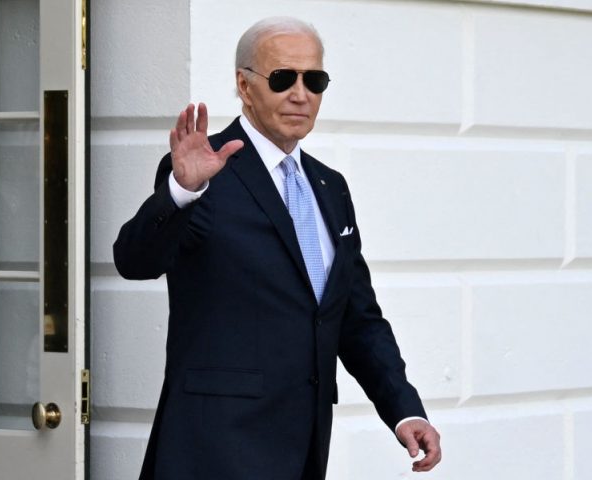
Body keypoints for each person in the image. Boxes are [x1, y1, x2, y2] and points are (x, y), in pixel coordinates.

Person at [113, 16, 442, 480]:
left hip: (304, 445)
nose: (300, 94)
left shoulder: (331, 186)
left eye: (315, 80)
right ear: (244, 87)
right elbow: (134, 260)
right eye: (283, 78)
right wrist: (180, 192)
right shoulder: (203, 171)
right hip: (214, 448)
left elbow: (356, 316)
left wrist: (405, 410)